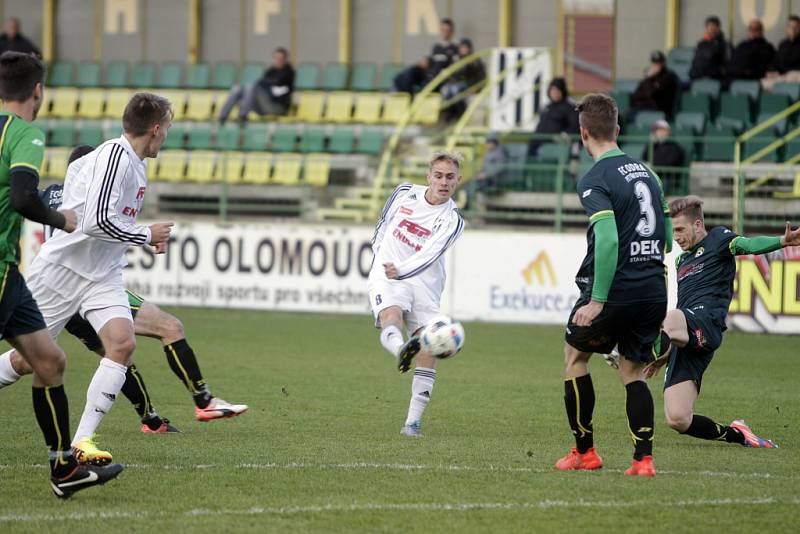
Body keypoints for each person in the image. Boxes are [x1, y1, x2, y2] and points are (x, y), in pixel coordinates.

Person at [0, 146, 248, 433]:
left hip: (58, 286)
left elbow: (27, 206)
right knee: (165, 329)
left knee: (110, 354)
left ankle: (152, 420)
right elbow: (101, 224)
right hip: (85, 281)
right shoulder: (95, 192)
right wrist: (147, 234)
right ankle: (201, 401)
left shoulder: (50, 193)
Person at [25, 92, 175, 465]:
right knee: (25, 361)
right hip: (62, 273)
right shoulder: (115, 157)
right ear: (155, 129)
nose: (167, 136)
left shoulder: (134, 164)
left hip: (101, 275)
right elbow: (95, 221)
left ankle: (82, 442)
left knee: (121, 346)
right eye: (167, 128)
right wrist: (146, 235)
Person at [0, 51, 123, 497]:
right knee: (43, 362)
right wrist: (62, 219)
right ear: (37, 91)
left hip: (11, 273)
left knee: (49, 362)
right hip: (0, 269)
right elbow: (21, 198)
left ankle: (65, 470)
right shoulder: (26, 135)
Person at [606, 196, 799, 448]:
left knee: (671, 315)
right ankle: (739, 435)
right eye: (672, 230)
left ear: (698, 224)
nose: (675, 236)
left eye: (679, 229)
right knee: (678, 419)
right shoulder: (681, 261)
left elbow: (749, 245)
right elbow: (676, 323)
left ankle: (630, 349)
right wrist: (662, 358)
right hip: (686, 335)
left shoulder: (719, 239)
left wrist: (782, 241)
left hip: (707, 324)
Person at [556, 93, 671, 477]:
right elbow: (667, 236)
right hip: (653, 288)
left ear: (583, 132)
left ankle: (584, 452)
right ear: (618, 130)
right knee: (631, 372)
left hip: (616, 291)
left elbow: (607, 240)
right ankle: (643, 460)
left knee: (575, 359)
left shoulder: (595, 180)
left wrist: (598, 301)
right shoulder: (648, 173)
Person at [368, 151, 465, 437]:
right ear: (428, 176)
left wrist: (401, 269)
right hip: (387, 274)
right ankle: (400, 348)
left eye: (450, 177)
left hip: (424, 284)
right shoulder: (404, 192)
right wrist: (379, 256)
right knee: (391, 314)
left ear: (458, 181)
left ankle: (412, 423)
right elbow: (382, 223)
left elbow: (429, 254)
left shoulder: (453, 220)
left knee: (429, 348)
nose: (443, 182)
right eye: (438, 175)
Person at [219, 47, 295, 123]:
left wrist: (266, 84)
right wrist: (267, 84)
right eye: (276, 58)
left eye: (280, 58)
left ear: (285, 59)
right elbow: (262, 82)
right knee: (237, 88)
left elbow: (274, 83)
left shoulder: (289, 72)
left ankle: (242, 116)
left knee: (251, 88)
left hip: (277, 108)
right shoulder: (271, 71)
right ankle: (222, 117)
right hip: (264, 105)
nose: (278, 60)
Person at [527, 78, 579, 158]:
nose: (554, 93)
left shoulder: (570, 108)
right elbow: (540, 127)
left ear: (562, 91)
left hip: (557, 149)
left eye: (557, 90)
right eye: (552, 90)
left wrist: (563, 136)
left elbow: (574, 127)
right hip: (538, 146)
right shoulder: (546, 107)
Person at [441, 38, 486, 121]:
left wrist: (477, 88)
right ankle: (449, 114)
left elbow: (481, 77)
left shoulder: (475, 60)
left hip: (470, 84)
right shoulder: (457, 59)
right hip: (456, 83)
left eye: (465, 48)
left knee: (456, 90)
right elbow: (453, 75)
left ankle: (461, 114)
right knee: (446, 89)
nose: (463, 50)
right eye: (462, 48)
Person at [629, 51, 679, 119]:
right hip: (643, 108)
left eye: (658, 63)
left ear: (663, 63)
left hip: (658, 110)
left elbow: (651, 93)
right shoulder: (650, 76)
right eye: (654, 63)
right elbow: (637, 94)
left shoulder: (668, 77)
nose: (656, 66)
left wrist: (648, 78)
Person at [641, 120, 685, 193]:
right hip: (653, 176)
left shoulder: (674, 146)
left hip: (667, 178)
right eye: (657, 130)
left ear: (668, 132)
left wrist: (653, 165)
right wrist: (650, 144)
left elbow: (670, 163)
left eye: (662, 130)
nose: (660, 133)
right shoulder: (653, 145)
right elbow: (644, 157)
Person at [762, 15, 800, 90]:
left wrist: (783, 72)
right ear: (787, 28)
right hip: (782, 76)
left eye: (796, 27)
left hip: (795, 75)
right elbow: (776, 62)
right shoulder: (783, 44)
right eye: (790, 26)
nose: (793, 29)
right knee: (762, 84)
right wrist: (772, 71)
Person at [689, 16, 731, 81]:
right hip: (696, 76)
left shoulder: (724, 45)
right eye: (709, 28)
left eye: (714, 28)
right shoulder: (701, 44)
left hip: (713, 77)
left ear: (718, 28)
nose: (711, 31)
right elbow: (696, 61)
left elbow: (724, 65)